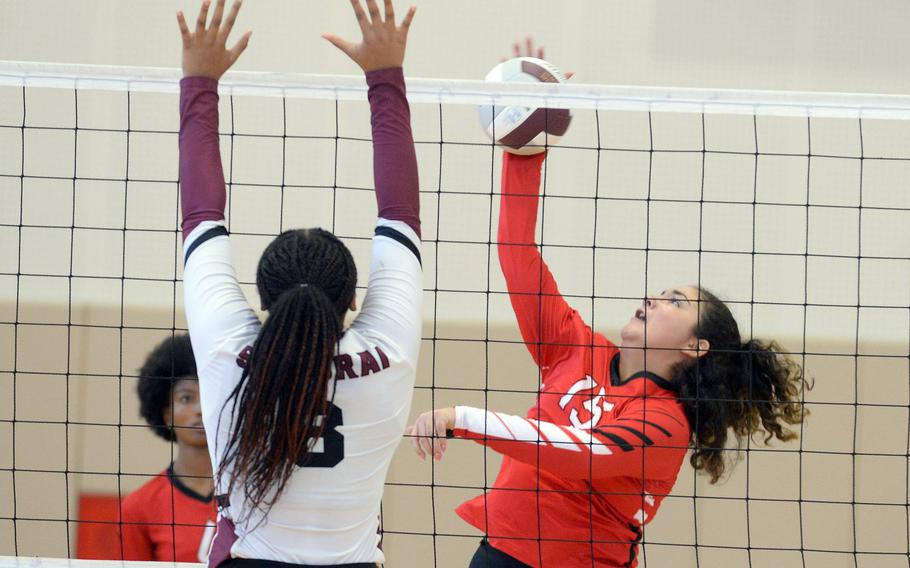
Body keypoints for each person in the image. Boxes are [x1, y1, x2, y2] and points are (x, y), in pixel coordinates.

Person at [407, 41, 810, 568]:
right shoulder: (573, 346)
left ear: (696, 344)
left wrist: (464, 418)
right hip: (498, 555)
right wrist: (525, 146)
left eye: (674, 301)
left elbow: (583, 455)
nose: (652, 298)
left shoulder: (666, 424)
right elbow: (516, 253)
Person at [176, 0, 421, 565]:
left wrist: (199, 83)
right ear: (354, 299)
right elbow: (400, 214)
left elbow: (199, 215)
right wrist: (384, 76)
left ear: (262, 302)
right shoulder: (390, 354)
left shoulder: (224, 349)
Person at [120, 333, 217, 562]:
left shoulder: (253, 496)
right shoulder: (139, 506)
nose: (200, 409)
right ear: (166, 414)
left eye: (210, 395)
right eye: (186, 398)